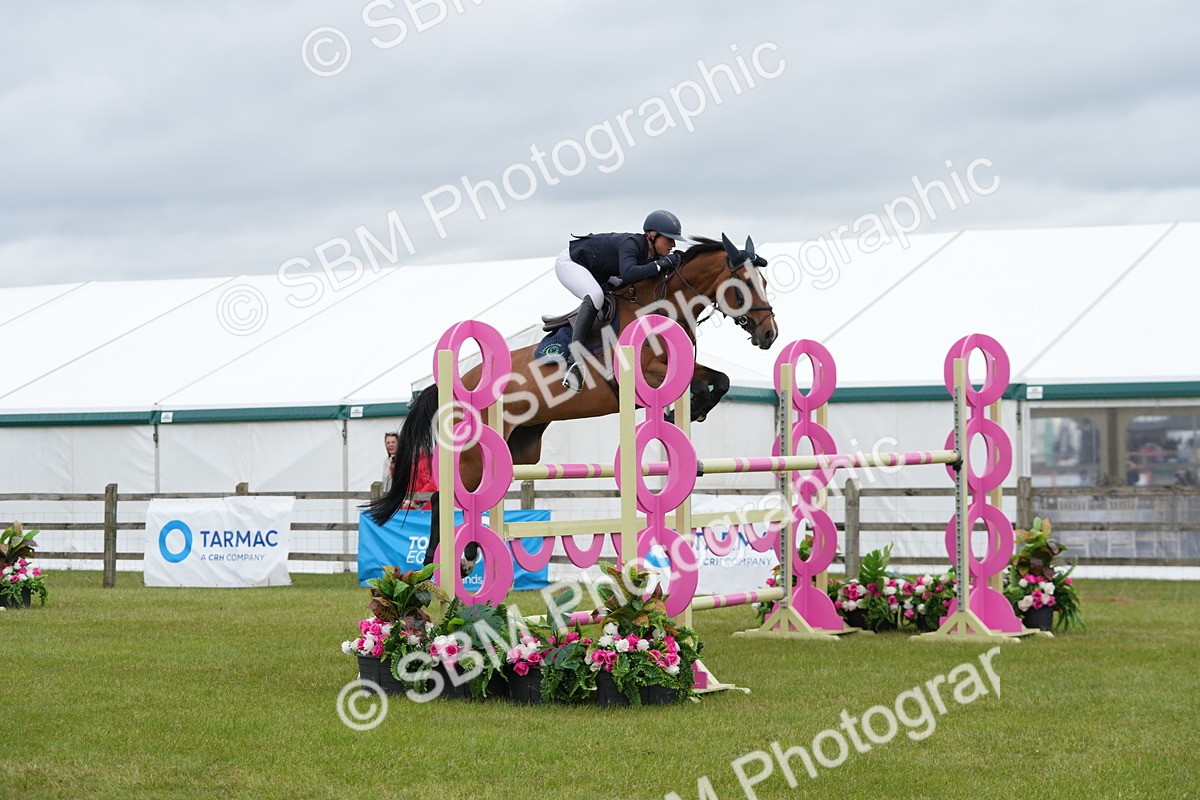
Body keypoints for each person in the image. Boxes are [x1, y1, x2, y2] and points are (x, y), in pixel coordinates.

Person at [556, 209, 686, 392]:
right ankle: (573, 362)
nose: (672, 244)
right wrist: (659, 265)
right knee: (596, 296)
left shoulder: (652, 252)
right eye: (669, 239)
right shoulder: (631, 243)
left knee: (623, 293)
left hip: (599, 271)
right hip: (571, 263)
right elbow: (628, 274)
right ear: (652, 236)